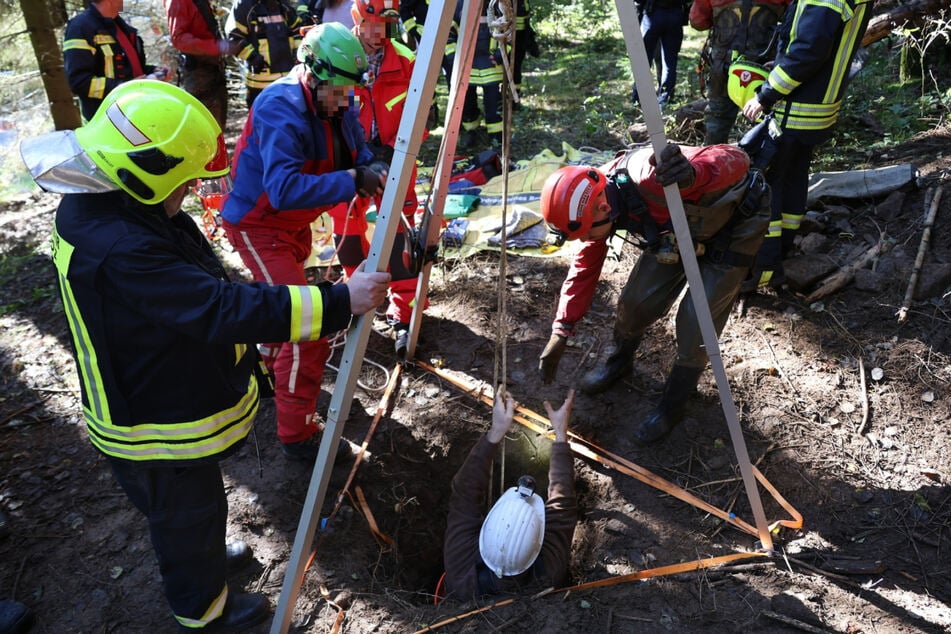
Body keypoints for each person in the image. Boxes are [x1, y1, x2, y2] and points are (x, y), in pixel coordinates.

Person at [18, 80, 389, 630]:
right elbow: (218, 307)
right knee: (182, 515)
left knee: (197, 504)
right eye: (184, 181)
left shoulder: (115, 204)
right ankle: (204, 611)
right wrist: (338, 299)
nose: (190, 192)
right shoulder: (121, 244)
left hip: (157, 385)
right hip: (146, 420)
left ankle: (206, 554)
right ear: (142, 171)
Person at [221, 23, 389, 463]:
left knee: (282, 315)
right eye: (337, 89)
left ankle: (265, 372)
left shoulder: (337, 99)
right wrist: (352, 180)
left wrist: (371, 165)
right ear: (312, 74)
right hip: (259, 226)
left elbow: (357, 147)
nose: (345, 100)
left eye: (350, 90)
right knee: (306, 328)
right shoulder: (279, 107)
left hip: (292, 228)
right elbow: (283, 189)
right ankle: (297, 436)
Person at [536, 143, 770, 444]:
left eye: (586, 234)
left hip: (736, 221)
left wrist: (693, 175)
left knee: (696, 322)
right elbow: (583, 269)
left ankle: (673, 406)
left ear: (604, 209)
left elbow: (736, 157)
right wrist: (561, 330)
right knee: (635, 304)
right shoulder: (596, 203)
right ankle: (619, 363)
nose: (586, 240)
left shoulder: (648, 176)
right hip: (676, 226)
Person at [740, 0, 873, 290]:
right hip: (820, 108)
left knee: (768, 186)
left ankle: (764, 269)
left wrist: (766, 94)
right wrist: (778, 66)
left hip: (797, 110)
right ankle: (785, 249)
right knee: (793, 177)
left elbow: (807, 51)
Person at [326, 0, 428, 357]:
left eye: (385, 25)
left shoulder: (407, 60)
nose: (377, 35)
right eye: (371, 25)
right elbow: (320, 115)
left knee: (400, 241)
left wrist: (395, 151)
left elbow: (423, 119)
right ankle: (359, 301)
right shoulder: (333, 54)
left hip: (395, 163)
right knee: (348, 237)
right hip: (348, 166)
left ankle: (404, 315)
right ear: (357, 19)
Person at [442, 389, 577, 601]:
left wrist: (495, 433)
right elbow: (563, 506)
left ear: (483, 538)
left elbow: (464, 493)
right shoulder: (549, 574)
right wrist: (560, 434)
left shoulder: (460, 569)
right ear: (539, 543)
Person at [691, 0, 789, 144]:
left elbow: (697, 21)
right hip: (762, 63)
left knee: (718, 115)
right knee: (764, 116)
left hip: (723, 61)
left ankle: (713, 160)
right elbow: (793, 16)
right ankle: (761, 162)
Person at [64, 0, 169, 121]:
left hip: (137, 114)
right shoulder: (80, 27)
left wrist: (154, 72)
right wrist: (125, 87)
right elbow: (79, 81)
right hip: (108, 122)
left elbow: (131, 69)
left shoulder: (121, 27)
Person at [164, 0, 238, 130]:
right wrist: (217, 47)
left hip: (214, 71)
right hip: (199, 76)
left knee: (218, 128)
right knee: (204, 130)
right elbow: (179, 39)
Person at [226, 0, 303, 107]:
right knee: (261, 120)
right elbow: (233, 37)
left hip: (289, 81)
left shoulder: (282, 4)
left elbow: (297, 29)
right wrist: (253, 58)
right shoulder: (244, 5)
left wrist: (297, 53)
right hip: (260, 83)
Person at [631, 0, 691, 108]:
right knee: (670, 62)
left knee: (643, 60)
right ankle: (665, 99)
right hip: (675, 15)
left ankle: (638, 98)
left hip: (652, 14)